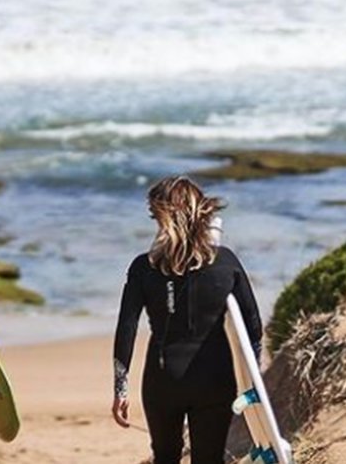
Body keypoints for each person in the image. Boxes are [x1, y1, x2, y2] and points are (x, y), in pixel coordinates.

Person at [112, 176, 262, 464]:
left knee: (165, 457)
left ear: (161, 217)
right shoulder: (226, 262)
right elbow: (253, 328)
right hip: (216, 379)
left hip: (163, 379)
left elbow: (126, 328)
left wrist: (120, 389)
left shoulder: (144, 267)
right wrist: (252, 380)